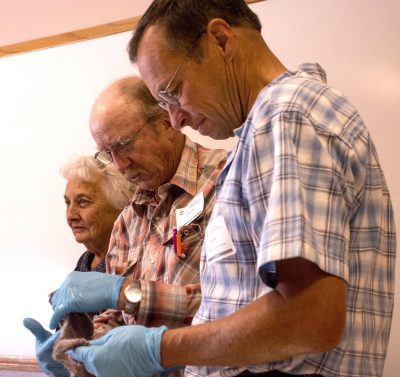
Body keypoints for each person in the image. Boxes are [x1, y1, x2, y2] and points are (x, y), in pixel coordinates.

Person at [45, 1, 396, 377]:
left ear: (220, 40)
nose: (177, 118)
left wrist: (157, 348)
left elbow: (308, 316)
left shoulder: (287, 114)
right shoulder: (262, 136)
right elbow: (232, 303)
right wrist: (79, 354)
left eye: (173, 91)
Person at [25, 75, 227, 376]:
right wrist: (77, 353)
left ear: (165, 121)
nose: (119, 165)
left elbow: (241, 305)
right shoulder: (128, 221)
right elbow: (118, 319)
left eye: (123, 145)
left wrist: (129, 293)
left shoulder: (226, 182)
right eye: (107, 152)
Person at [24, 155, 135, 376]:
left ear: (120, 204)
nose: (70, 215)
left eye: (83, 202)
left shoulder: (135, 262)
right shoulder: (85, 262)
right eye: (67, 202)